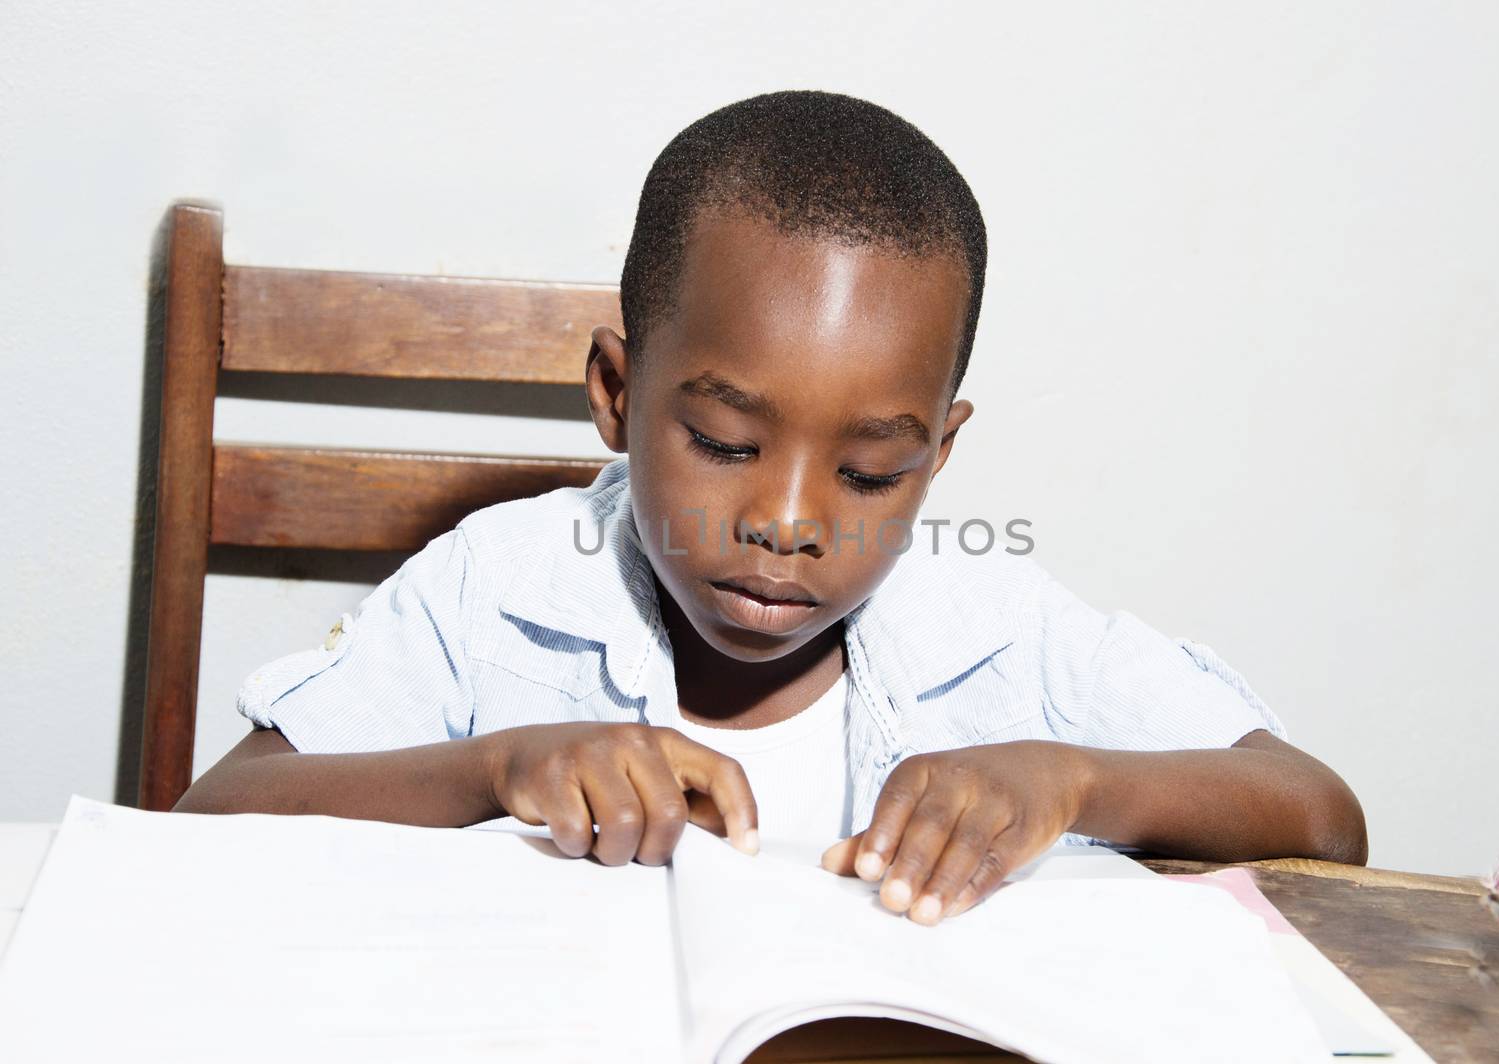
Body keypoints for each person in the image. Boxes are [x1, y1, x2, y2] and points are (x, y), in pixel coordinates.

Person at [177, 90, 1366, 926]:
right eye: (723, 442)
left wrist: (1074, 782)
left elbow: (1323, 819)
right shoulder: (499, 589)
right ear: (615, 391)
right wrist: (497, 769)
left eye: (868, 473)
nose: (789, 519)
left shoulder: (998, 626)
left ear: (940, 455)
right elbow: (207, 821)